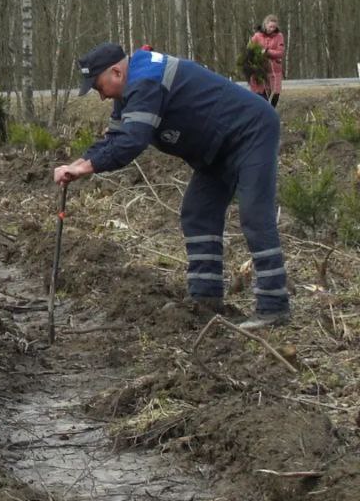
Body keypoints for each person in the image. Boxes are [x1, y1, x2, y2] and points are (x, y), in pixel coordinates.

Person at [53, 42, 290, 329]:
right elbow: (116, 137)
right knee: (197, 213)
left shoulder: (146, 81)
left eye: (99, 87)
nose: (101, 96)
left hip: (250, 131)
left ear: (116, 71)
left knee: (255, 215)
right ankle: (205, 300)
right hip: (216, 146)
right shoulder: (130, 89)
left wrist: (87, 168)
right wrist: (78, 164)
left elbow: (132, 141)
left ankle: (274, 308)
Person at [248, 15, 285, 107]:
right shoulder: (257, 36)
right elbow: (250, 49)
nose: (272, 29)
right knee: (260, 96)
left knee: (275, 94)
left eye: (274, 27)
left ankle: (271, 114)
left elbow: (280, 53)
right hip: (260, 71)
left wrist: (267, 51)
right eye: (270, 26)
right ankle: (262, 116)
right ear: (265, 25)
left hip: (274, 71)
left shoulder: (279, 36)